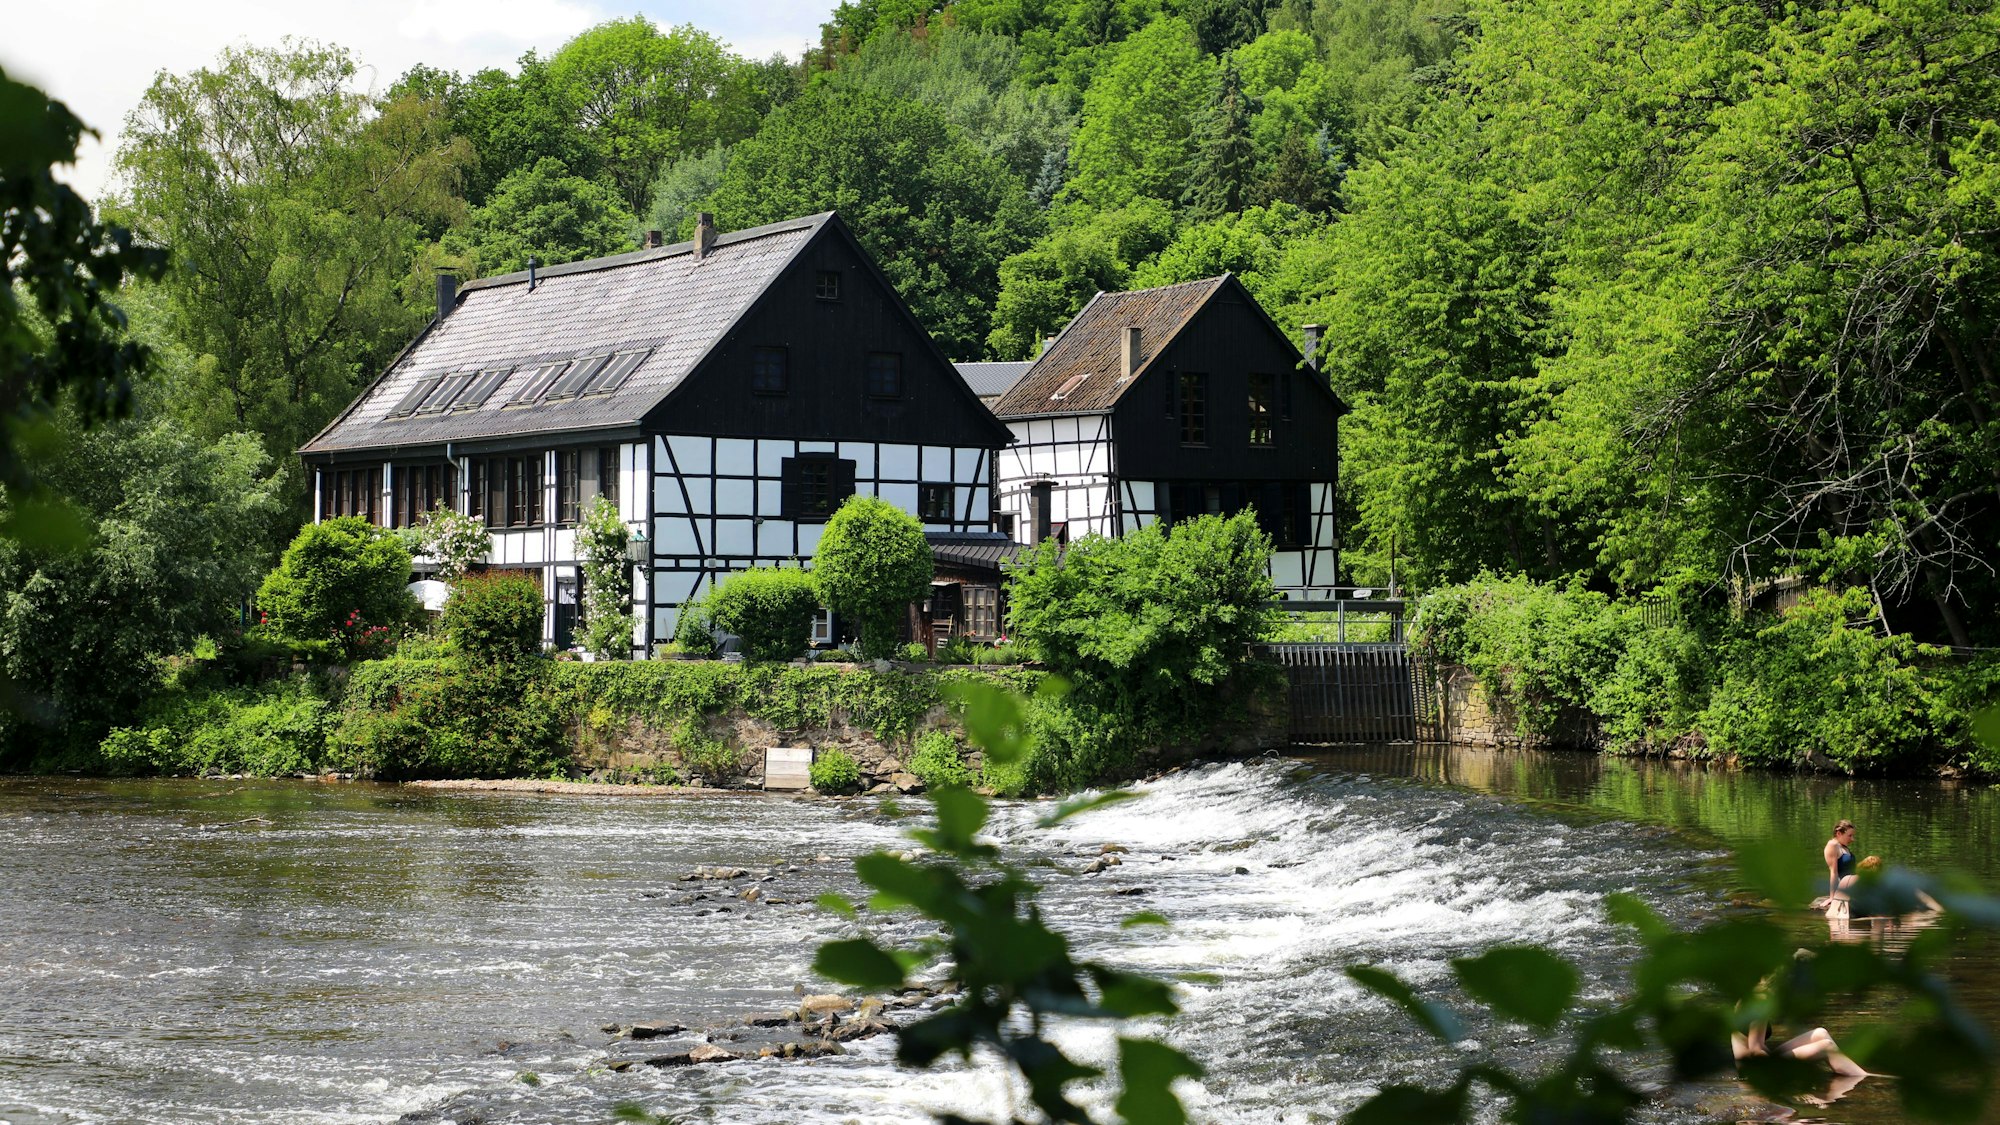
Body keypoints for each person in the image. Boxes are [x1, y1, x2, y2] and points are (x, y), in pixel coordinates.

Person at [1823, 820, 1858, 918]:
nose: (1852, 839)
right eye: (1849, 836)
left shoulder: (1844, 847)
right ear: (1839, 833)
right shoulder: (1833, 845)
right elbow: (1833, 872)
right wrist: (1832, 898)